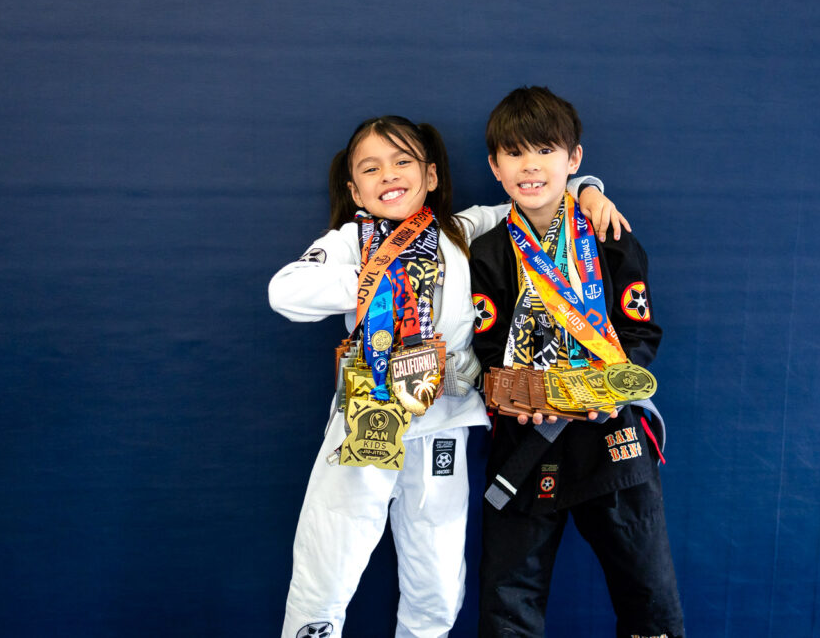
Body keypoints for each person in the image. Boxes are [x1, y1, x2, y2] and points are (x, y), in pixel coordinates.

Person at [268, 114, 627, 638]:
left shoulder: (463, 229)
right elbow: (286, 291)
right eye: (371, 168)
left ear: (431, 176)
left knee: (436, 579)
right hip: (367, 422)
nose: (388, 175)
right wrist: (380, 278)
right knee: (329, 560)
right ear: (355, 189)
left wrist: (587, 189)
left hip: (443, 422)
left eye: (402, 162)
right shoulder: (352, 241)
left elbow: (532, 196)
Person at [469, 87, 685, 638]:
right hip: (527, 441)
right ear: (495, 167)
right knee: (506, 603)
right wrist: (517, 394)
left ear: (574, 159)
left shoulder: (610, 235)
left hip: (611, 434)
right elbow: (489, 352)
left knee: (649, 597)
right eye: (514, 153)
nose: (531, 165)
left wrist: (612, 387)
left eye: (544, 149)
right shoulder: (489, 252)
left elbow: (641, 331)